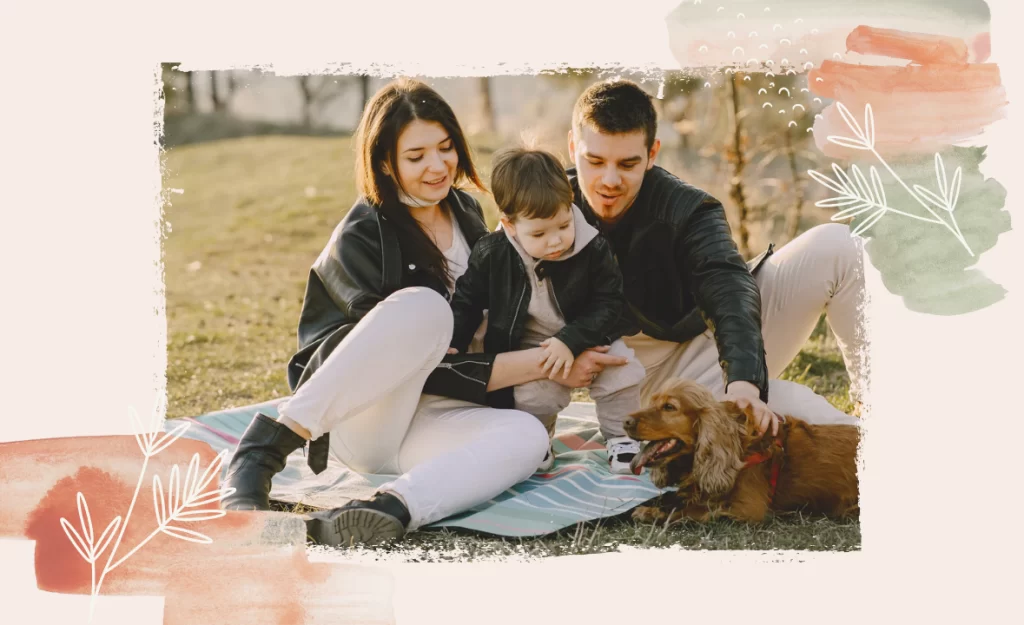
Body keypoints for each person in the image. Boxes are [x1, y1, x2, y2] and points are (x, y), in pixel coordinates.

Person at [221, 78, 553, 547]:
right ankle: (261, 451)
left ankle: (384, 510)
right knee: (426, 307)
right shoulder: (363, 233)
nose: (438, 166)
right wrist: (537, 364)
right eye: (416, 156)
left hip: (426, 417)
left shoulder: (465, 211)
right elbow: (390, 361)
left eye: (446, 148)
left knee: (527, 436)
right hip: (360, 418)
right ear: (384, 162)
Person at [556, 79, 866, 433]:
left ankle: (874, 403)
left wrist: (744, 384)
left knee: (839, 244)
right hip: (643, 388)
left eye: (628, 164)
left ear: (652, 153)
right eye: (594, 161)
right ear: (572, 146)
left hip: (717, 348)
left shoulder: (688, 209)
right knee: (801, 410)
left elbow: (729, 287)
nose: (609, 180)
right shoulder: (542, 210)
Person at [447, 146, 647, 474]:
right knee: (533, 395)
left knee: (622, 373)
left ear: (570, 205)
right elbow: (467, 300)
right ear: (509, 225)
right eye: (539, 233)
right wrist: (455, 338)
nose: (555, 241)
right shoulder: (492, 254)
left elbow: (609, 302)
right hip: (530, 343)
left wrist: (571, 340)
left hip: (589, 332)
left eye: (563, 225)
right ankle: (537, 436)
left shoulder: (593, 246)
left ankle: (622, 437)